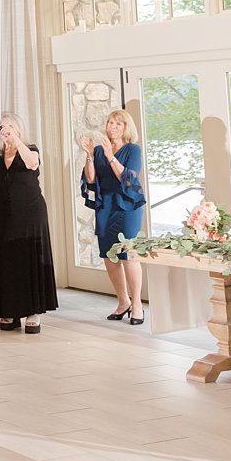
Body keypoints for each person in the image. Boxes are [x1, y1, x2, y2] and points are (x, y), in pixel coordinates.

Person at [0, 114, 58, 332]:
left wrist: (17, 141)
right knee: (8, 260)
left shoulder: (30, 149)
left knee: (29, 257)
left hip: (31, 212)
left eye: (11, 126)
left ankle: (34, 311)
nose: (6, 130)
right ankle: (10, 310)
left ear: (19, 130)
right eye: (3, 127)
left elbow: (32, 163)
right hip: (5, 213)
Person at [82, 109, 146, 325]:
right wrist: (90, 156)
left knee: (127, 255)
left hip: (127, 206)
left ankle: (137, 304)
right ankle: (122, 301)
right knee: (109, 256)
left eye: (119, 123)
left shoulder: (133, 150)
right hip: (106, 206)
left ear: (127, 128)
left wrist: (111, 157)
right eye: (110, 122)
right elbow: (90, 180)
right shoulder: (99, 150)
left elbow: (128, 180)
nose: (113, 126)